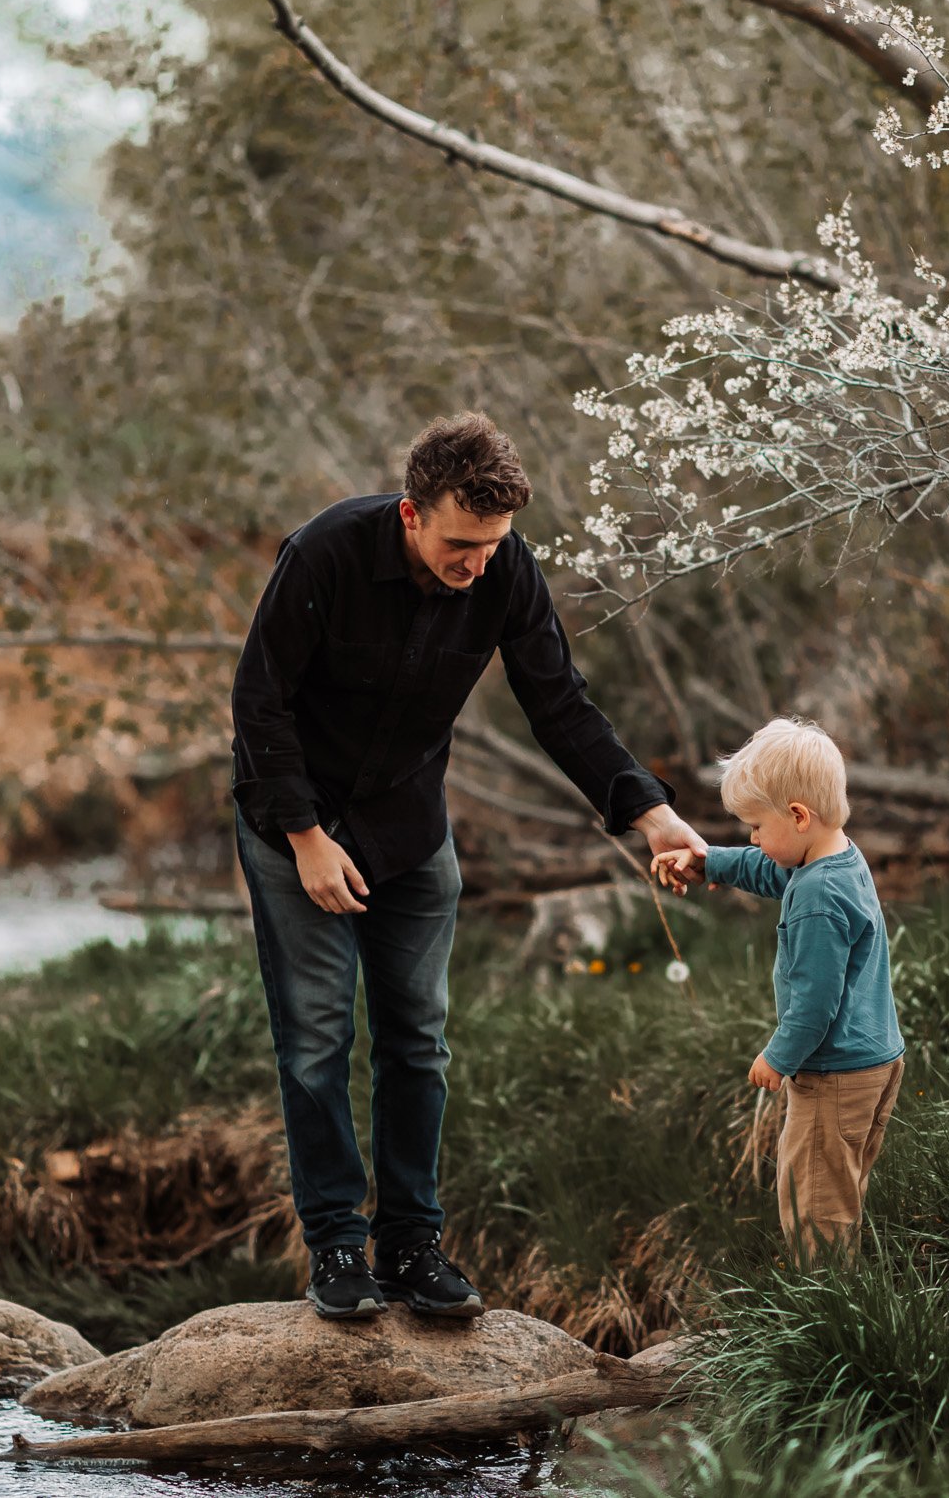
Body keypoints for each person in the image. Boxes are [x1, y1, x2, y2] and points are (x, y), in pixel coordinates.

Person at [231, 413, 709, 1321]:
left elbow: (560, 704)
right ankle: (337, 1246)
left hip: (410, 829)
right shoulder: (326, 553)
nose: (477, 563)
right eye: (461, 543)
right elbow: (259, 702)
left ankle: (410, 1245)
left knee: (418, 1040)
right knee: (318, 1039)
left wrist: (651, 813)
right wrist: (304, 838)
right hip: (294, 823)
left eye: (492, 545)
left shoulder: (506, 570)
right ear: (412, 513)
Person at [653, 718, 904, 1258]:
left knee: (814, 1205)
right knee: (840, 1191)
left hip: (832, 1072)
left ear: (797, 815)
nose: (753, 839)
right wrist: (708, 861)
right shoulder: (837, 858)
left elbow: (816, 1001)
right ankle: (847, 1293)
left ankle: (827, 1313)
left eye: (756, 827)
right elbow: (772, 869)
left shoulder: (817, 898)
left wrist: (779, 1056)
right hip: (875, 1060)